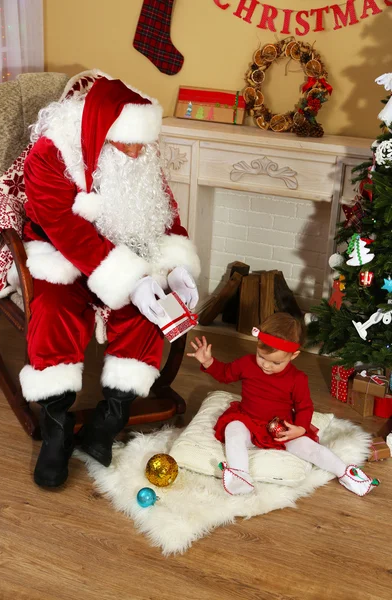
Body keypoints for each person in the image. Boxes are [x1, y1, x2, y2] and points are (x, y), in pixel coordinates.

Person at [20, 75, 200, 488]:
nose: (137, 153)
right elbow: (64, 228)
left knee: (150, 311)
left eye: (142, 144)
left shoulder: (139, 151)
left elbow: (164, 210)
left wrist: (176, 266)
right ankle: (55, 429)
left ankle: (108, 420)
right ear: (100, 134)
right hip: (63, 255)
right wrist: (128, 279)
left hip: (126, 253)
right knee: (53, 312)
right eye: (127, 145)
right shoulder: (50, 154)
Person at [188, 312, 379, 497]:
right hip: (247, 420)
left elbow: (305, 407)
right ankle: (240, 475)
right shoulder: (246, 363)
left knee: (311, 448)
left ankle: (347, 473)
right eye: (261, 357)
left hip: (282, 427)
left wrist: (300, 429)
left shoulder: (297, 379)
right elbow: (225, 373)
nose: (266, 365)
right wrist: (208, 361)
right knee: (233, 430)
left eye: (276, 362)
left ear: (293, 355)